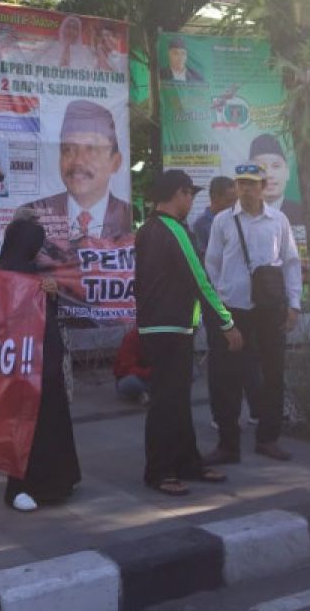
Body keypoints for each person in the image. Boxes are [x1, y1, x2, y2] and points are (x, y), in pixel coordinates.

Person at [135, 169, 242, 496]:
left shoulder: (147, 229)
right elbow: (201, 280)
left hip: (158, 325)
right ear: (179, 194)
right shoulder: (173, 230)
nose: (191, 201)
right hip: (170, 326)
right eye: (190, 195)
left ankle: (187, 464)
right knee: (167, 403)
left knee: (176, 401)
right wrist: (227, 322)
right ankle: (160, 471)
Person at [203, 164, 301, 463]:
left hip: (269, 309)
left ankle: (268, 438)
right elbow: (212, 264)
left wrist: (294, 304)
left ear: (263, 187)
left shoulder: (278, 220)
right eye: (241, 183)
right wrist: (222, 305)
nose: (246, 189)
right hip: (234, 309)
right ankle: (227, 445)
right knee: (226, 377)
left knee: (273, 374)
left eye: (252, 183)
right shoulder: (223, 221)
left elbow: (291, 262)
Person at [0, 216, 82, 511]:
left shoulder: (32, 274)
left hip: (45, 360)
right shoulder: (5, 277)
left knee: (50, 420)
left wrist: (48, 292)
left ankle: (56, 481)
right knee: (28, 424)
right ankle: (20, 486)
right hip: (25, 364)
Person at [24, 100, 131, 241]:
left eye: (91, 149)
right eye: (68, 150)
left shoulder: (128, 216)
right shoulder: (33, 214)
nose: (78, 161)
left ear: (115, 162)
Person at [248, 134, 303, 225]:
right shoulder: (241, 216)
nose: (269, 175)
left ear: (287, 172)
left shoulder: (304, 214)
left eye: (276, 166)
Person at [191, 176, 237, 256]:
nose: (234, 206)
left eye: (236, 201)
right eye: (229, 201)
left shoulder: (237, 218)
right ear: (215, 197)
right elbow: (202, 256)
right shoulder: (201, 224)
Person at [113, 326, 151, 404]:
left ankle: (149, 395)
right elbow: (126, 368)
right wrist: (149, 372)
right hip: (135, 378)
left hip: (155, 379)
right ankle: (150, 394)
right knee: (130, 382)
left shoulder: (163, 336)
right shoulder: (132, 337)